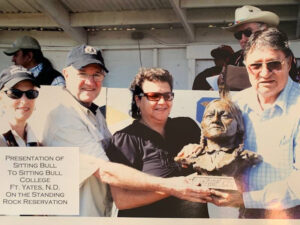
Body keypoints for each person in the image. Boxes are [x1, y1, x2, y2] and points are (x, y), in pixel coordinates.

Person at [42, 45, 211, 217]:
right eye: (82, 73)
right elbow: (106, 173)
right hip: (76, 218)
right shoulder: (64, 117)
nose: (90, 81)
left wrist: (201, 150)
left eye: (97, 74)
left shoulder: (93, 114)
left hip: (96, 215)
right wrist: (172, 187)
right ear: (66, 74)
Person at [209, 28, 300, 219]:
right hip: (246, 215)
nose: (264, 73)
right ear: (246, 66)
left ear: (289, 63)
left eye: (274, 64)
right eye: (256, 66)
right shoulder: (236, 104)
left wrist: (245, 199)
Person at [104, 68, 209, 217]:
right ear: (138, 99)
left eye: (167, 96)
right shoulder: (125, 139)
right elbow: (122, 200)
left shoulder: (187, 126)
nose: (162, 102)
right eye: (154, 96)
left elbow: (217, 167)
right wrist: (173, 189)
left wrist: (201, 150)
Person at [225, 5, 299, 82]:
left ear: (264, 30)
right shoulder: (233, 59)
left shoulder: (282, 54)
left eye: (248, 32)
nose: (243, 39)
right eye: (238, 35)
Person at [0, 65, 40, 146]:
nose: (24, 101)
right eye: (15, 93)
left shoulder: (39, 141)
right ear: (1, 98)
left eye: (31, 93)